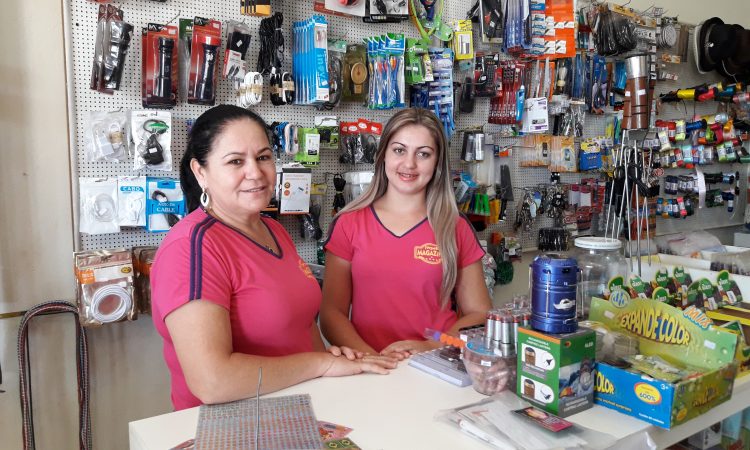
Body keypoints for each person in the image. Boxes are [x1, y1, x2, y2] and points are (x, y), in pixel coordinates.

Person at [151, 105, 396, 411]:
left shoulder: (273, 231)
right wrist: (319, 365)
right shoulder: (191, 248)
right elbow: (212, 381)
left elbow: (303, 326)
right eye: (235, 161)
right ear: (201, 172)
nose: (255, 172)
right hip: (229, 429)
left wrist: (328, 374)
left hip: (297, 412)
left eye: (264, 157)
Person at [320, 108, 493, 359]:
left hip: (436, 366)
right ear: (383, 156)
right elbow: (331, 314)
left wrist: (434, 346)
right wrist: (374, 359)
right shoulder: (349, 223)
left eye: (423, 154)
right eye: (399, 150)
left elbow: (479, 314)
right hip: (368, 367)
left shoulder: (454, 227)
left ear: (437, 164)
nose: (409, 164)